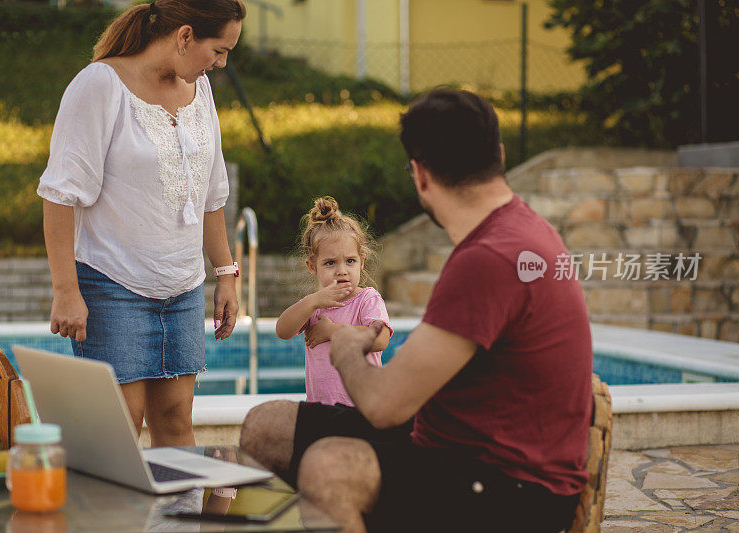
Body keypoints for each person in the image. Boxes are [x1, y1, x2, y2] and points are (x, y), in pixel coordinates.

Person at [239, 90, 593, 532]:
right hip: (452, 439)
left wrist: (347, 345)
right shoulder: (512, 235)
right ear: (498, 156)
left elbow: (384, 405)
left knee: (329, 468)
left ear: (420, 175)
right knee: (264, 427)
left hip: (514, 482)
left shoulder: (491, 257)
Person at [38, 0, 246, 447]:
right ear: (185, 36)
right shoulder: (99, 85)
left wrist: (226, 274)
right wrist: (65, 291)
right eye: (219, 49)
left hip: (184, 287)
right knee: (118, 430)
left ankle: (181, 519)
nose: (222, 63)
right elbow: (59, 194)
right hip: (113, 286)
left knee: (176, 422)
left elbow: (211, 194)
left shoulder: (201, 90)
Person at [276, 196, 393, 407]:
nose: (342, 271)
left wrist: (332, 331)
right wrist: (312, 301)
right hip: (320, 410)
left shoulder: (367, 299)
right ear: (313, 267)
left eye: (350, 261)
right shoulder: (313, 305)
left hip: (361, 409)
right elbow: (282, 331)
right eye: (330, 263)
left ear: (361, 262)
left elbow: (380, 340)